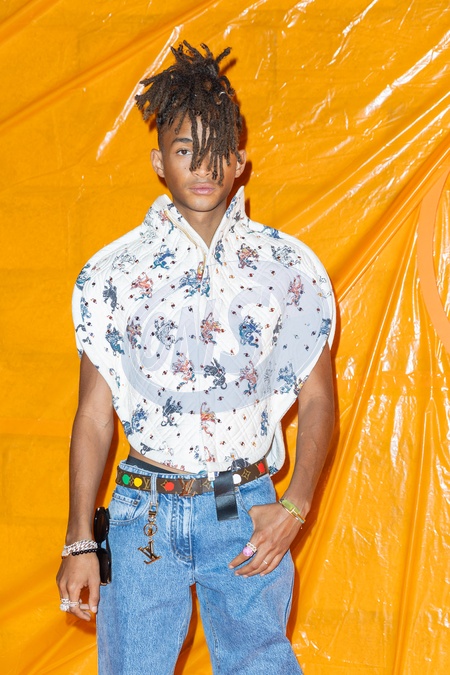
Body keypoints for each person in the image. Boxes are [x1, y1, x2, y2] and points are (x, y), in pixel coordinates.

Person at [57, 41, 336, 675]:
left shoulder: (288, 269)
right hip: (143, 515)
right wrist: (79, 540)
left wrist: (295, 507)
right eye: (185, 150)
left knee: (261, 665)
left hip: (246, 508)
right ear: (159, 161)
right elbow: (93, 416)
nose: (202, 166)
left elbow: (319, 399)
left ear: (239, 161)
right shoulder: (112, 274)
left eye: (216, 150)